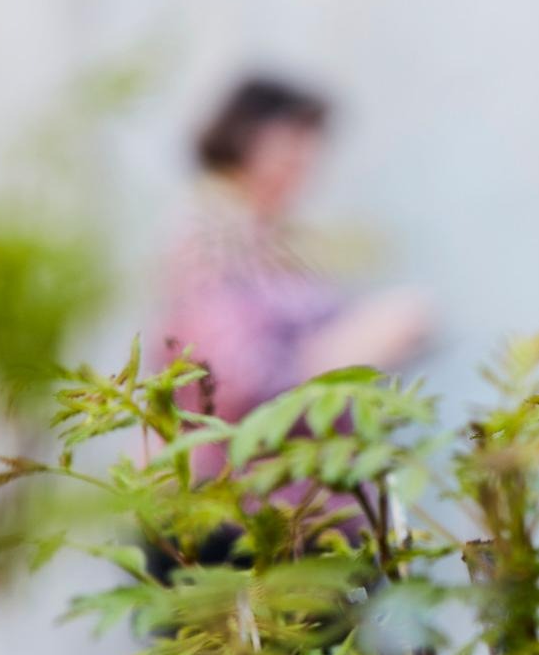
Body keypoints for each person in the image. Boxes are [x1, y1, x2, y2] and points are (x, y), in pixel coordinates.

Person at [153, 75, 430, 537]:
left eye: (311, 145)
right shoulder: (212, 243)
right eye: (292, 144)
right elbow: (237, 391)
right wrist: (358, 346)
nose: (305, 161)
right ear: (243, 140)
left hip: (310, 518)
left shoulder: (273, 241)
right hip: (248, 530)